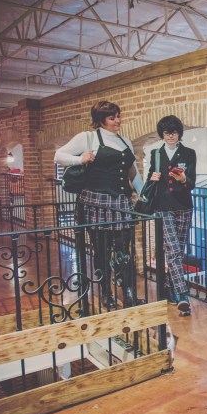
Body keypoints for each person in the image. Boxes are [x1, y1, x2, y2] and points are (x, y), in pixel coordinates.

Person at [55, 100, 144, 309]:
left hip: (121, 201)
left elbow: (133, 173)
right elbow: (58, 156)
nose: (118, 121)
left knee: (124, 250)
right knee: (102, 250)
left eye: (118, 116)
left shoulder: (126, 141)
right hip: (97, 202)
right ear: (101, 120)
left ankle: (129, 293)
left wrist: (144, 196)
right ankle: (106, 293)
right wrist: (80, 160)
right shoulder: (88, 138)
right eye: (112, 118)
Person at [145, 115, 197, 316]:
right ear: (162, 134)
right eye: (167, 133)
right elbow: (151, 178)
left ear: (179, 133)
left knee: (178, 251)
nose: (171, 136)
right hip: (163, 207)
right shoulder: (156, 154)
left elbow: (192, 183)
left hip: (184, 206)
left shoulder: (189, 153)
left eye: (174, 132)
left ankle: (168, 287)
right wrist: (153, 177)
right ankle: (183, 295)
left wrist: (183, 179)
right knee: (173, 250)